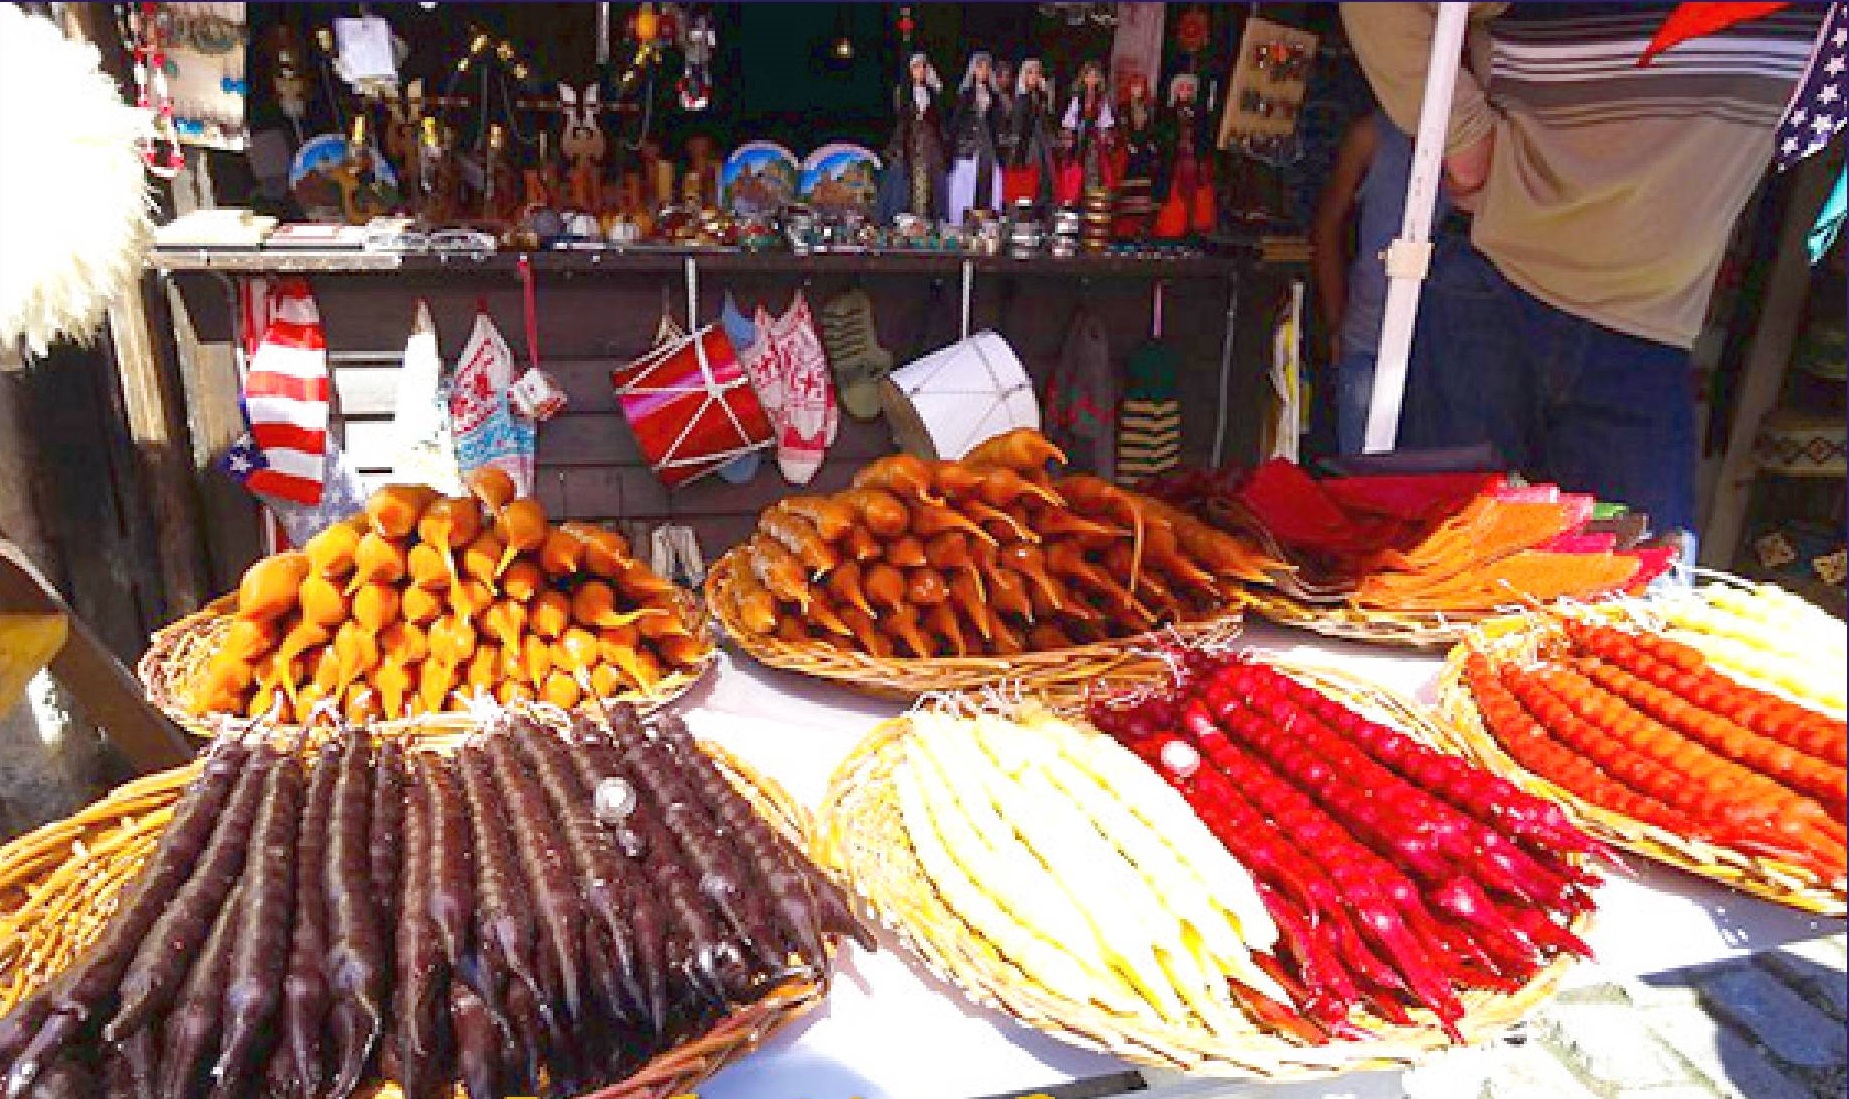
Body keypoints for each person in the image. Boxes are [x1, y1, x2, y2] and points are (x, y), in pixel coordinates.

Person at [1341, 2, 1823, 538]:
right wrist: (1463, 136)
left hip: (1644, 328)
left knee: (1638, 581)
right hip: (1498, 286)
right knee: (1428, 564)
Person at [1309, 109, 1445, 455]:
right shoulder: (1371, 135)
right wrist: (1336, 322)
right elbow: (1327, 226)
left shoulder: (1483, 134)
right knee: (1365, 476)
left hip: (1448, 346)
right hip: (1370, 340)